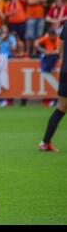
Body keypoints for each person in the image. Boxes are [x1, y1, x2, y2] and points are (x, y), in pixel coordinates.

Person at [39, 21, 67, 152]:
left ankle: (45, 142)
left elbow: (60, 46)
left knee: (61, 108)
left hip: (65, 70)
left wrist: (63, 61)